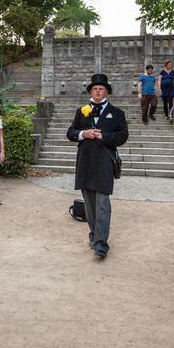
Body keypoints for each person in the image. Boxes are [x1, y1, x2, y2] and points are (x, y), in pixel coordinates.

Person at [67, 74, 129, 259]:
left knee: (102, 203)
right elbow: (70, 132)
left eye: (101, 88)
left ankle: (101, 244)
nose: (98, 91)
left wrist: (104, 136)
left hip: (104, 163)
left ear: (107, 92)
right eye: (95, 89)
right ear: (91, 92)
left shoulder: (117, 113)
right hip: (85, 162)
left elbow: (123, 135)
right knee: (89, 204)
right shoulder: (82, 111)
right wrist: (83, 133)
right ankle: (94, 236)